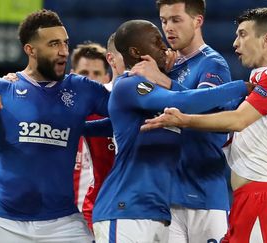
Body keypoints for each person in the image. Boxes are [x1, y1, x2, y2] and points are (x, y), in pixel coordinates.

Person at [0, 9, 111, 242]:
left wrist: (81, 129)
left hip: (63, 223)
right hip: (3, 222)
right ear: (30, 50)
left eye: (65, 43)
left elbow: (123, 117)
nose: (64, 51)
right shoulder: (4, 88)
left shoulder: (82, 88)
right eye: (54, 44)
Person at [142, 8, 267, 242]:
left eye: (242, 34)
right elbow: (225, 121)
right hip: (251, 196)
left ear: (266, 39)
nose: (235, 43)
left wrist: (182, 119)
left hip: (262, 196)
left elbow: (237, 120)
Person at [92, 19, 252, 243]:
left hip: (157, 212)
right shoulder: (131, 85)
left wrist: (79, 128)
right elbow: (183, 101)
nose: (164, 46)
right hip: (125, 209)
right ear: (137, 52)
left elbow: (121, 125)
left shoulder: (150, 93)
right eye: (156, 41)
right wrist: (241, 87)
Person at [131, 1, 235, 241]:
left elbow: (204, 108)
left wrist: (163, 81)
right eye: (164, 20)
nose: (168, 28)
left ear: (198, 21)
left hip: (204, 195)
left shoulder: (212, 64)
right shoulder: (167, 66)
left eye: (176, 20)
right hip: (167, 195)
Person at [70, 41, 116, 230]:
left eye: (96, 74)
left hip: (97, 214)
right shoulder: (57, 114)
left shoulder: (114, 119)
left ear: (107, 78)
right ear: (72, 76)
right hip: (60, 218)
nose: (89, 80)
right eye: (84, 74)